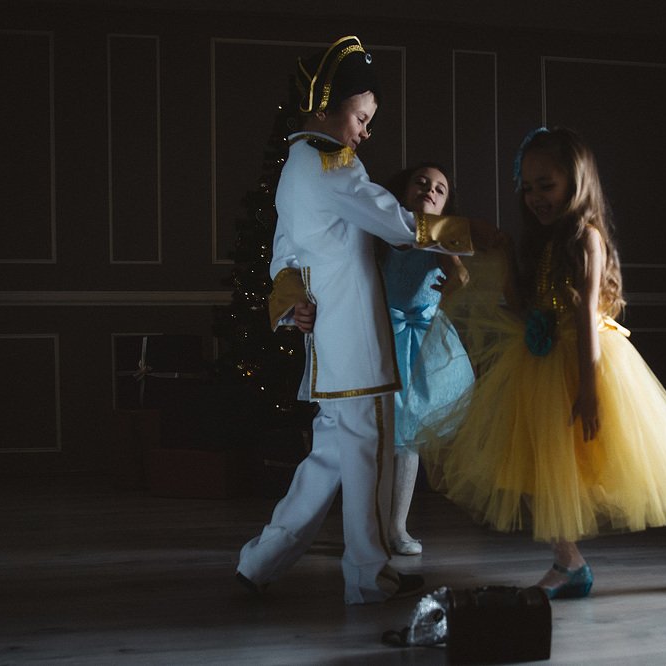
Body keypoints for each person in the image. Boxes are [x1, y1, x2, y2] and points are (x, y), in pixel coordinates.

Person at [418, 127, 666, 599]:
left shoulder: (584, 239)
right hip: (542, 367)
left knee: (638, 466)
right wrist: (508, 256)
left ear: (575, 183)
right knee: (541, 465)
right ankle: (568, 562)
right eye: (528, 187)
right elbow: (522, 307)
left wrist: (590, 390)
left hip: (588, 363)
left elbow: (584, 318)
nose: (535, 196)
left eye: (547, 185)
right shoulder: (541, 241)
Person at [235, 35, 481, 605]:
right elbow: (398, 223)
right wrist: (475, 235)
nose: (366, 132)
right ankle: (370, 578)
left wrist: (289, 301)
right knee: (367, 454)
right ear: (326, 105)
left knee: (328, 455)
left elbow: (284, 252)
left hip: (329, 344)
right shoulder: (331, 163)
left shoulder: (296, 166)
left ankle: (260, 561)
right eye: (362, 117)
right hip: (357, 344)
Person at [378, 164, 476, 556]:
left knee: (408, 438)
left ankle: (397, 527)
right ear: (403, 191)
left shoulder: (440, 239)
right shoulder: (382, 233)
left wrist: (457, 278)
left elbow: (458, 270)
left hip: (423, 343)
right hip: (381, 336)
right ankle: (369, 523)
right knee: (374, 435)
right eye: (421, 183)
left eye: (440, 188)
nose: (430, 190)